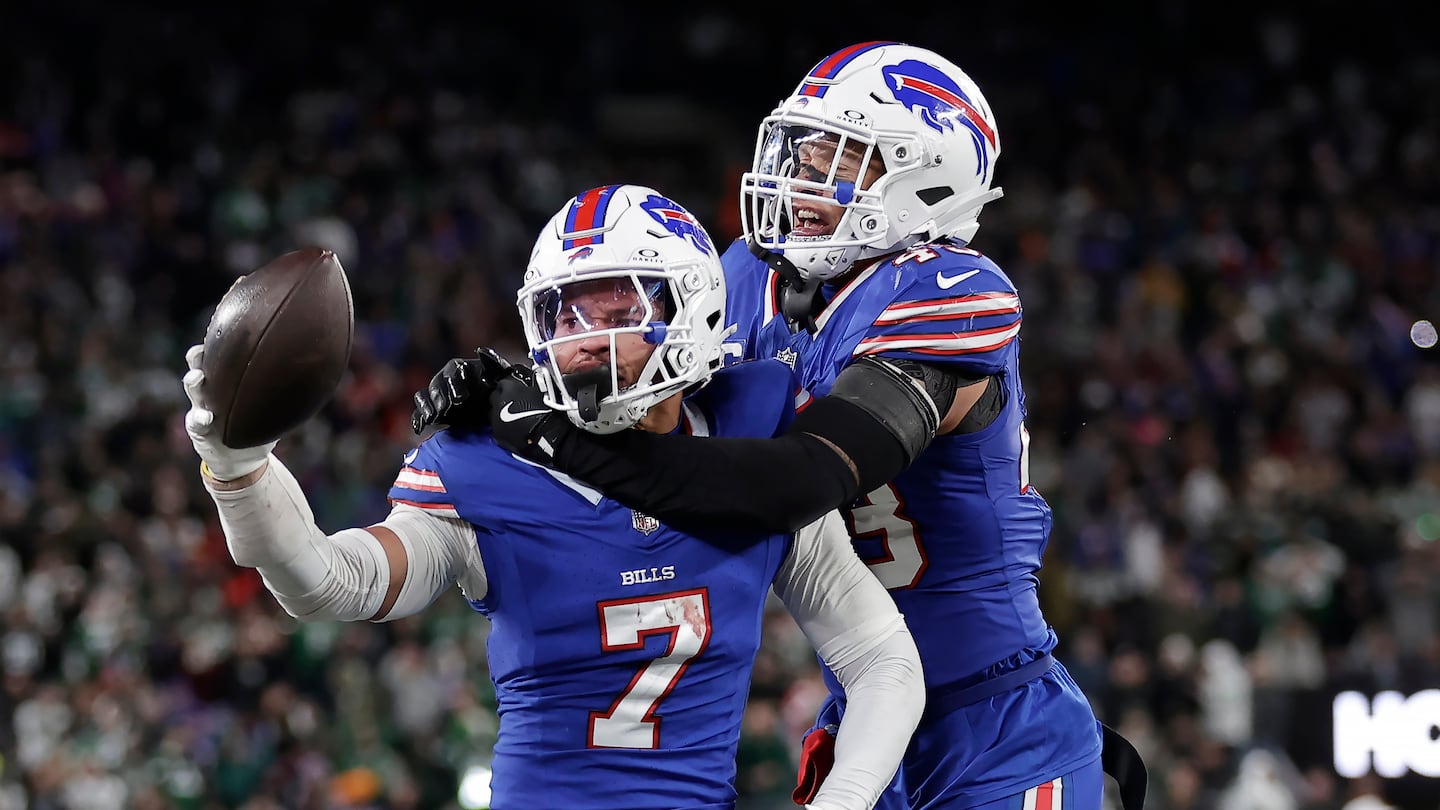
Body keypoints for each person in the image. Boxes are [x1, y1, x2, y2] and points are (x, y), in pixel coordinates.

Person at [415, 45, 1146, 810]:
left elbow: (797, 481)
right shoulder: (750, 279)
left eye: (841, 160)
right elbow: (644, 385)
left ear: (927, 178)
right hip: (864, 709)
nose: (801, 183)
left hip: (996, 723)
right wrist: (530, 385)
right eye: (802, 153)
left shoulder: (952, 293)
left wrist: (546, 435)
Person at [186, 184, 926, 810]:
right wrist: (238, 468)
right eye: (565, 315)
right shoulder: (485, 462)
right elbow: (330, 583)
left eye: (616, 312)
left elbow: (882, 662)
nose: (581, 341)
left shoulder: (753, 442)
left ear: (694, 310)